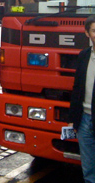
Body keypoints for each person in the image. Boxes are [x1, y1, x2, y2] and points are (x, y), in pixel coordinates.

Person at [69, 15, 95, 183]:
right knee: (88, 169)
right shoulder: (83, 56)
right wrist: (73, 120)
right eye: (94, 30)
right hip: (84, 120)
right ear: (87, 33)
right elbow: (76, 88)